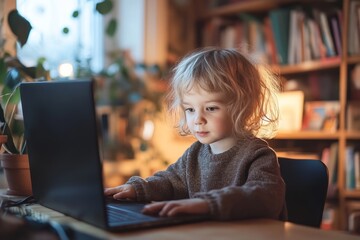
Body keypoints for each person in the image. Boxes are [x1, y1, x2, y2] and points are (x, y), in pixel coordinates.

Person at [105, 47, 287, 221]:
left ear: (244, 108)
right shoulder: (195, 153)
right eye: (190, 109)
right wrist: (137, 189)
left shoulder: (257, 155)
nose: (198, 119)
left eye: (211, 108)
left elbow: (265, 196)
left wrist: (206, 203)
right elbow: (169, 181)